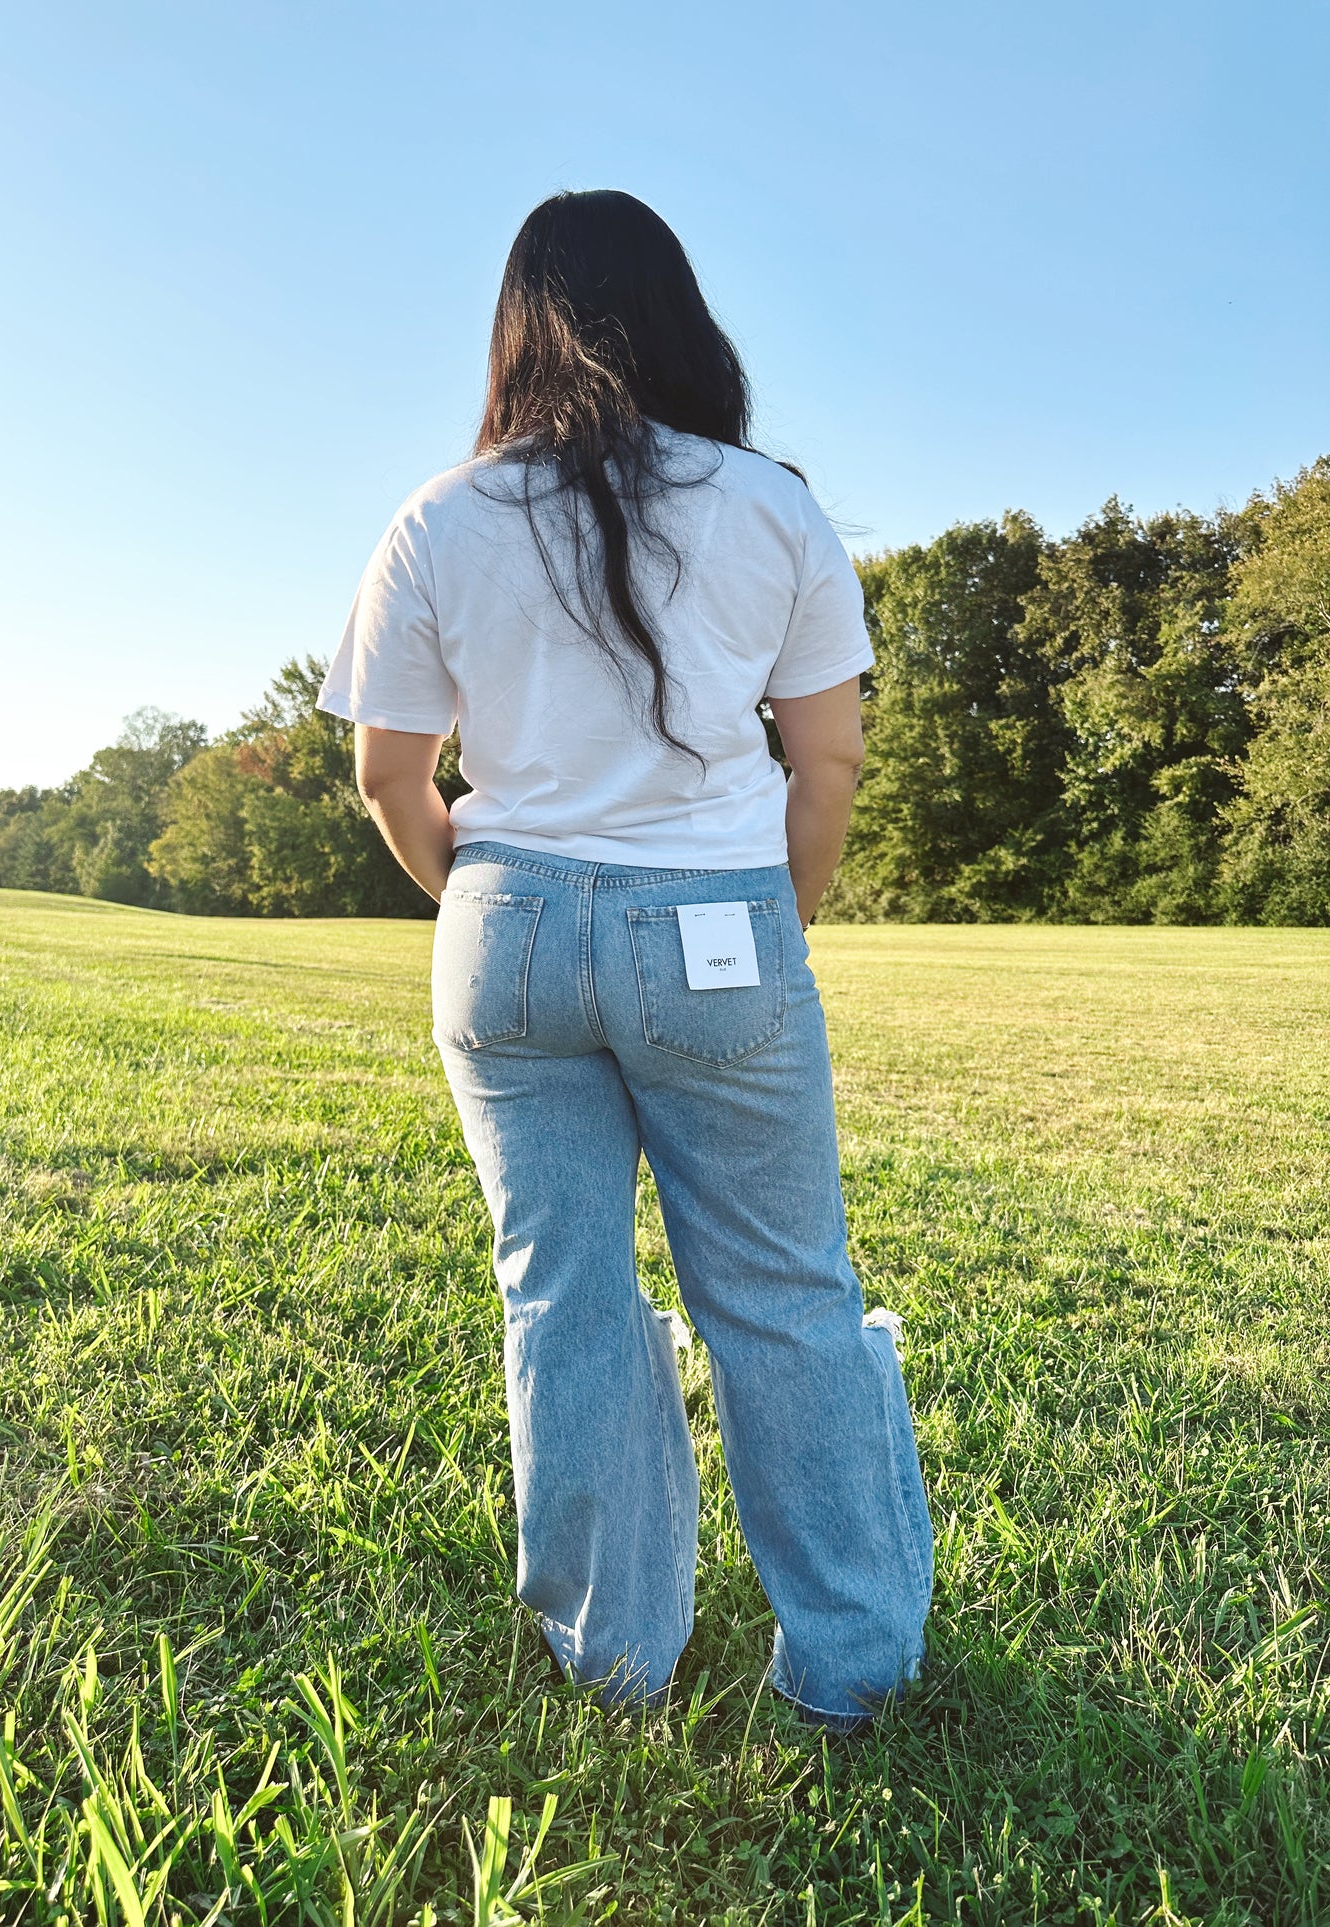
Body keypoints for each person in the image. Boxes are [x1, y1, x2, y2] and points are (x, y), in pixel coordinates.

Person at [317, 189, 932, 1731]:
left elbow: (393, 782)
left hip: (504, 923)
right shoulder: (770, 504)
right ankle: (846, 1669)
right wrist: (770, 923)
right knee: (784, 1293)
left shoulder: (440, 517)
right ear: (679, 315)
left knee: (563, 1297)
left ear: (516, 324)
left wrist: (485, 891)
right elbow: (829, 767)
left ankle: (613, 1659)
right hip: (717, 919)